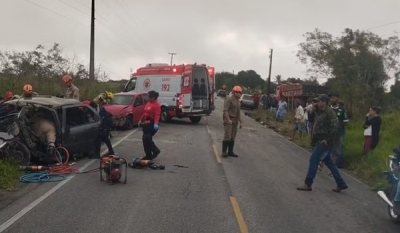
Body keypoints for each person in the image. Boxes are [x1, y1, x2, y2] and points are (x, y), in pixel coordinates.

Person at [297, 94, 348, 192]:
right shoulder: (320, 112)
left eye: (319, 101)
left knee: (313, 160)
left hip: (324, 142)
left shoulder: (329, 112)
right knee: (330, 163)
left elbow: (335, 127)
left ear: (324, 102)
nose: (316, 103)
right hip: (319, 140)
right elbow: (312, 121)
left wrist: (328, 139)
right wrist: (313, 111)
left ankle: (308, 184)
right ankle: (341, 183)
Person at [138, 90, 161, 160]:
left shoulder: (156, 105)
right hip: (146, 123)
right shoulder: (148, 103)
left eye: (149, 96)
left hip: (152, 124)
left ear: (153, 97)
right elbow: (144, 113)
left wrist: (156, 124)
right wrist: (140, 120)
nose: (147, 97)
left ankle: (155, 150)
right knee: (145, 140)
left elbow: (157, 115)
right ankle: (148, 155)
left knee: (146, 138)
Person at [222, 85, 242, 158]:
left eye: (240, 92)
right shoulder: (229, 99)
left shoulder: (238, 101)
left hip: (235, 120)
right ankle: (224, 152)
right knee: (227, 135)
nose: (239, 94)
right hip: (229, 119)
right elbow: (225, 110)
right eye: (238, 92)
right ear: (234, 92)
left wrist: (240, 121)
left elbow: (238, 112)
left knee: (233, 137)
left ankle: (230, 151)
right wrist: (228, 120)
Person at [330, 93, 348, 168]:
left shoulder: (342, 110)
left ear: (337, 99)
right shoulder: (329, 109)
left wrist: (339, 127)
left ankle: (338, 165)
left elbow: (345, 121)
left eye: (333, 97)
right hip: (330, 132)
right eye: (331, 98)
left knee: (339, 147)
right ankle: (331, 163)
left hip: (339, 132)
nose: (332, 99)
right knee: (331, 148)